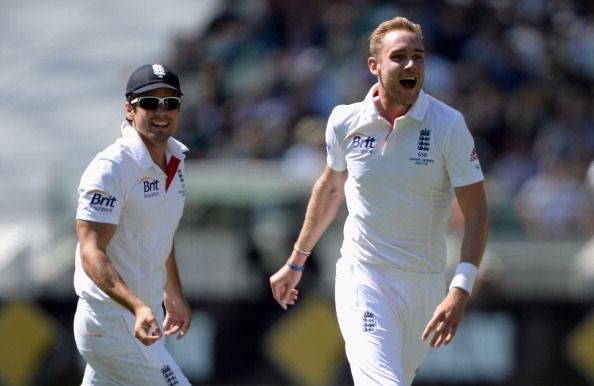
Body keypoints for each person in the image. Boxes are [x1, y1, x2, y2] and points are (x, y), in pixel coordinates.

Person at [270, 16, 489, 386]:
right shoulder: (344, 121)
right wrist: (296, 260)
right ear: (374, 65)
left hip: (425, 283)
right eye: (399, 56)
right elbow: (329, 190)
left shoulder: (448, 125)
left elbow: (478, 212)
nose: (410, 65)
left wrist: (460, 288)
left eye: (418, 57)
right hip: (364, 276)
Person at [73, 64, 192, 385]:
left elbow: (159, 233)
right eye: (150, 102)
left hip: (143, 318)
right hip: (111, 322)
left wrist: (173, 294)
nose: (161, 111)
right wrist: (138, 306)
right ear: (129, 109)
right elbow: (91, 253)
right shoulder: (111, 168)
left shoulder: (175, 160)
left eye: (171, 102)